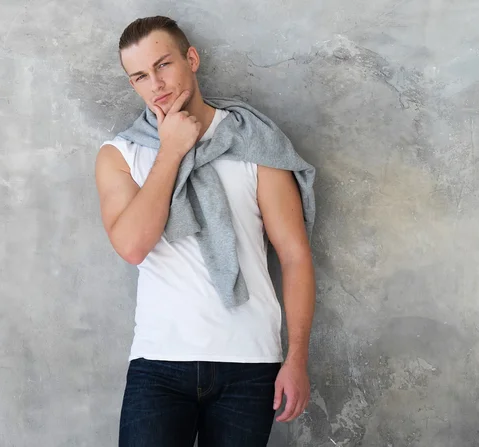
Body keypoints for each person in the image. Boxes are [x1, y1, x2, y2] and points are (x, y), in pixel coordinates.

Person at [94, 15, 316, 447]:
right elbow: (133, 246)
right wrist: (173, 150)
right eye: (140, 76)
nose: (156, 84)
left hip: (249, 363)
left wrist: (297, 358)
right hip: (159, 362)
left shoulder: (255, 143)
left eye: (163, 65)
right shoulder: (120, 154)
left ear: (190, 58)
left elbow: (294, 256)